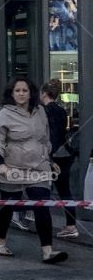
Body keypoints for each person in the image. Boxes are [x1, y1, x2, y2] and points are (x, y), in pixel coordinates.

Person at [0, 78, 67, 264]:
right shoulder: (4, 114)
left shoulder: (40, 111)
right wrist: (1, 164)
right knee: (8, 206)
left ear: (30, 92)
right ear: (11, 93)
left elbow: (45, 139)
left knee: (42, 205)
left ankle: (47, 251)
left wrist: (49, 160)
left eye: (24, 90)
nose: (21, 93)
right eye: (17, 90)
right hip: (12, 167)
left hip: (38, 166)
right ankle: (0, 242)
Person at [40, 79, 79, 240]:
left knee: (42, 189)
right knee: (64, 191)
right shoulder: (62, 110)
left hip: (54, 156)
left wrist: (49, 156)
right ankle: (71, 225)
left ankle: (38, 219)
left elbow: (52, 135)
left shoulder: (46, 111)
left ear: (44, 94)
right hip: (65, 154)